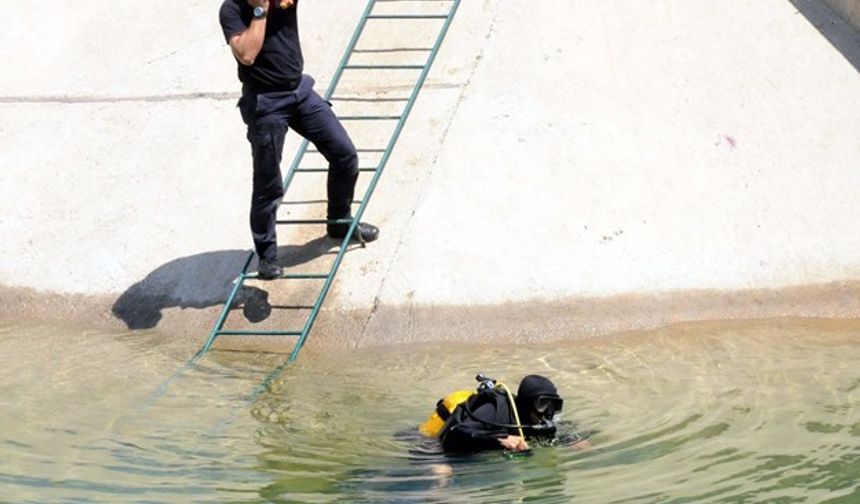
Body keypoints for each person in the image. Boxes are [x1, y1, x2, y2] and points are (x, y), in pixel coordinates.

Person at [219, 0, 379, 280]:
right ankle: (267, 257)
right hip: (265, 102)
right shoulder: (231, 10)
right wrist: (260, 11)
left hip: (300, 92)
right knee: (268, 185)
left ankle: (339, 223)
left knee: (345, 155)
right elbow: (246, 54)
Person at [422, 374, 591, 454]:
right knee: (442, 473)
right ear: (527, 403)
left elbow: (557, 432)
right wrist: (500, 439)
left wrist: (574, 439)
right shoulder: (495, 409)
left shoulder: (535, 418)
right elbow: (455, 433)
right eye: (542, 404)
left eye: (554, 405)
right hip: (435, 445)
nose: (547, 412)